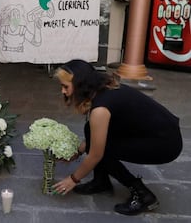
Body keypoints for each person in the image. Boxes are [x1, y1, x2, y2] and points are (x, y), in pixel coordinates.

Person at [52, 59, 183, 215]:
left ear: (80, 85)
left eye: (65, 86)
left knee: (103, 151)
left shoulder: (100, 109)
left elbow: (96, 154)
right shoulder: (103, 89)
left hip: (165, 143)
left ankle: (144, 196)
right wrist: (78, 151)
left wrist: (73, 179)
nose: (63, 91)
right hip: (156, 133)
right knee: (90, 129)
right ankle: (101, 182)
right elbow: (95, 137)